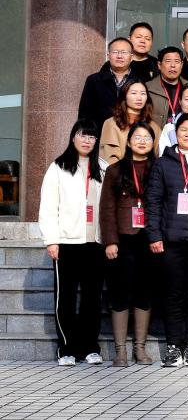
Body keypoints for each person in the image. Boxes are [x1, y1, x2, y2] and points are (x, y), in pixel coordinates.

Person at [145, 113, 188, 368]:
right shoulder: (163, 164)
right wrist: (154, 235)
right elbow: (153, 202)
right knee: (172, 293)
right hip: (170, 240)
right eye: (183, 129)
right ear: (175, 133)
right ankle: (173, 346)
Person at [39, 119, 105, 366]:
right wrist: (51, 240)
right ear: (73, 137)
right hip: (67, 242)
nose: (87, 141)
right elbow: (48, 206)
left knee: (92, 298)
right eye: (82, 135)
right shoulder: (58, 167)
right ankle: (66, 348)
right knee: (65, 298)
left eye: (91, 136)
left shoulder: (103, 167)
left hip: (95, 242)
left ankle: (90, 347)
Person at [99, 122, 157, 366]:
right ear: (129, 141)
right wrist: (110, 241)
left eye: (147, 137)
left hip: (150, 240)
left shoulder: (158, 168)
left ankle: (139, 348)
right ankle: (120, 350)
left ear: (153, 142)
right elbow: (106, 208)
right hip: (122, 240)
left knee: (144, 292)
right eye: (138, 137)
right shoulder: (115, 170)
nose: (142, 141)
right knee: (120, 292)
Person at [78, 37, 139, 130]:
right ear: (108, 55)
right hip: (100, 134)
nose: (119, 56)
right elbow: (84, 113)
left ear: (132, 57)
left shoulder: (139, 81)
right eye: (115, 52)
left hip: (131, 133)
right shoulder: (94, 80)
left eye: (124, 52)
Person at [99, 79, 161, 165]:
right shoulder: (112, 123)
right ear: (125, 96)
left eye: (143, 93)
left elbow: (158, 158)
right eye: (134, 93)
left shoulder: (154, 127)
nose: (139, 98)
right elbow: (109, 158)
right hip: (118, 171)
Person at [147, 46, 186, 127]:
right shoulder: (147, 88)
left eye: (176, 61)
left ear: (182, 65)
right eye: (168, 61)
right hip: (156, 133)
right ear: (159, 65)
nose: (173, 65)